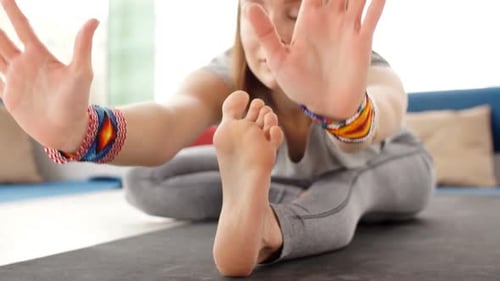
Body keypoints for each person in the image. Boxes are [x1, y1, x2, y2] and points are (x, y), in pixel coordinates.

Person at [0, 0, 435, 277]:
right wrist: (81, 130)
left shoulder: (361, 66)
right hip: (287, 175)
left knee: (344, 187)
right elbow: (170, 120)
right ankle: (262, 190)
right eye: (259, 2)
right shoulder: (228, 70)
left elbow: (386, 109)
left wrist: (344, 111)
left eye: (299, 3)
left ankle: (269, 226)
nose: (276, 18)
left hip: (388, 168)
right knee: (145, 180)